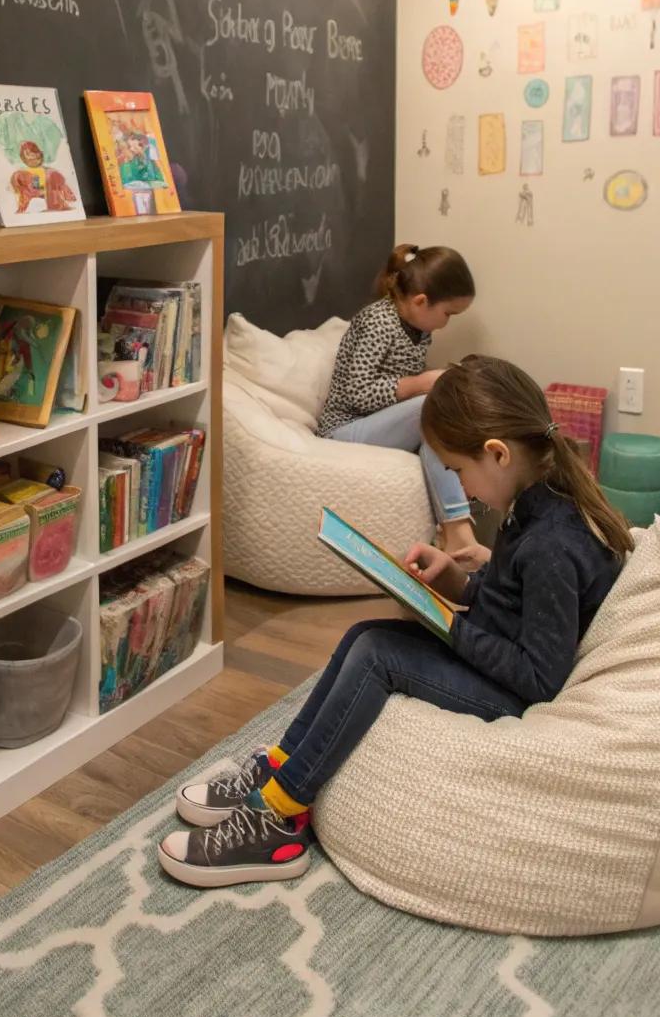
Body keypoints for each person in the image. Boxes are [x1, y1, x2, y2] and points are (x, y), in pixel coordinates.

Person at [158, 354, 631, 887]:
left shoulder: (552, 540)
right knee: (365, 634)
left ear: (496, 454)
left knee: (378, 656)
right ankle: (282, 766)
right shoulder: (533, 501)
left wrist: (452, 628)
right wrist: (456, 583)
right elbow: (515, 605)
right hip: (495, 657)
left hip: (514, 695)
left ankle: (278, 819)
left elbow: (541, 679)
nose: (462, 487)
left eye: (456, 470)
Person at [316, 242, 479, 557]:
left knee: (438, 431)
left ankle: (457, 530)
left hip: (379, 425)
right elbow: (358, 392)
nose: (448, 323)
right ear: (421, 301)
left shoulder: (418, 328)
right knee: (431, 408)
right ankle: (458, 532)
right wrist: (422, 384)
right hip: (345, 428)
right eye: (448, 314)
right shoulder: (378, 322)